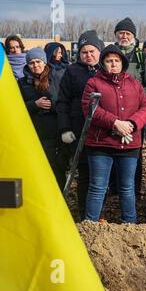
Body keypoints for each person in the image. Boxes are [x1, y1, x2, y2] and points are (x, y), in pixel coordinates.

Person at [81, 44, 146, 223]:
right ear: (103, 63)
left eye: (117, 61)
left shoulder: (134, 83)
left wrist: (132, 123)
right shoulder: (94, 83)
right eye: (109, 61)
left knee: (127, 187)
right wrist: (114, 123)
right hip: (100, 144)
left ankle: (130, 225)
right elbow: (90, 109)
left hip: (129, 144)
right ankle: (90, 225)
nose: (113, 64)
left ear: (123, 63)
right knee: (98, 186)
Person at [56, 30, 105, 219]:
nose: (88, 55)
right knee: (84, 175)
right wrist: (65, 128)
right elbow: (62, 102)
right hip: (79, 131)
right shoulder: (72, 71)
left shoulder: (107, 69)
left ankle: (99, 214)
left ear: (99, 51)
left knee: (100, 177)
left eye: (92, 51)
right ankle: (85, 215)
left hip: (103, 132)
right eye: (84, 52)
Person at [114, 17, 146, 196]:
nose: (124, 36)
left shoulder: (141, 57)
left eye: (128, 33)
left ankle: (134, 188)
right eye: (121, 33)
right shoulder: (110, 55)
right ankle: (113, 188)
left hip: (135, 113)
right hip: (113, 112)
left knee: (134, 152)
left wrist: (141, 99)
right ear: (116, 35)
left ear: (133, 36)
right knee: (112, 149)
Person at [18, 48, 65, 189]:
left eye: (38, 61)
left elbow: (65, 102)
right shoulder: (22, 83)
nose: (35, 65)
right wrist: (34, 104)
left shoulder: (58, 77)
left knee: (56, 169)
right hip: (34, 132)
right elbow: (17, 106)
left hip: (55, 131)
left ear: (44, 62)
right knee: (37, 168)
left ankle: (59, 198)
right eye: (31, 63)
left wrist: (52, 106)